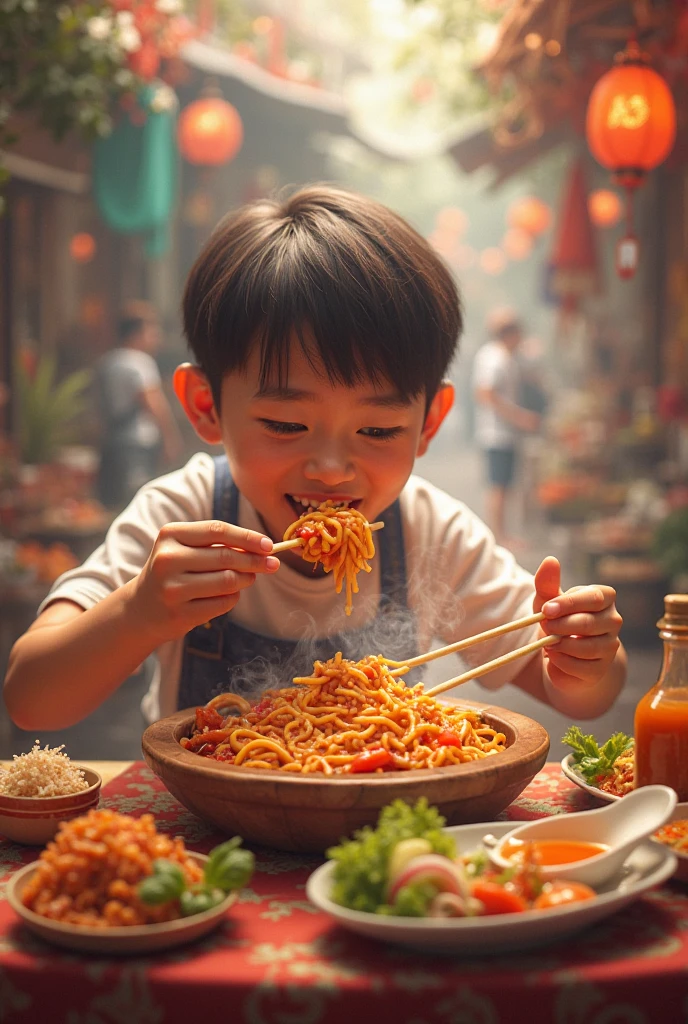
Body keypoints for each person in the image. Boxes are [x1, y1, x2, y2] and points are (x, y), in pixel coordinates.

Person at [4, 187, 625, 732]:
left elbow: (578, 695)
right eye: (285, 423)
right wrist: (136, 614)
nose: (331, 467)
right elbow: (31, 699)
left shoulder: (430, 532)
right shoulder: (181, 516)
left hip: (378, 845)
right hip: (201, 850)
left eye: (379, 429)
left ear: (429, 423)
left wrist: (583, 658)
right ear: (205, 406)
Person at [95, 301, 183, 509]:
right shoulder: (139, 361)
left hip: (112, 444)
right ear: (137, 333)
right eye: (152, 331)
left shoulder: (107, 362)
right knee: (137, 502)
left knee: (113, 503)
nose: (157, 337)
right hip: (138, 445)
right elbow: (153, 402)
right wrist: (171, 438)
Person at [472, 309, 540, 546]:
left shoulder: (506, 357)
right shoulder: (493, 358)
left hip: (506, 434)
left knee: (505, 484)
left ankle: (502, 534)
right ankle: (498, 537)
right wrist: (519, 417)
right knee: (498, 485)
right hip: (496, 433)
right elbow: (485, 393)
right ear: (510, 334)